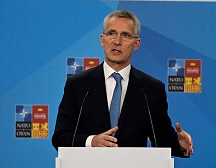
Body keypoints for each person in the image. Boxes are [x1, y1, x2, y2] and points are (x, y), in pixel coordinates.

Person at [52, 10, 194, 158]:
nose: (117, 41)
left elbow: (160, 138)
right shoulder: (78, 85)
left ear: (136, 44)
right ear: (102, 39)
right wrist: (91, 141)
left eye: (125, 35)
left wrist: (178, 145)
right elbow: (60, 137)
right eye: (111, 33)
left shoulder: (151, 89)